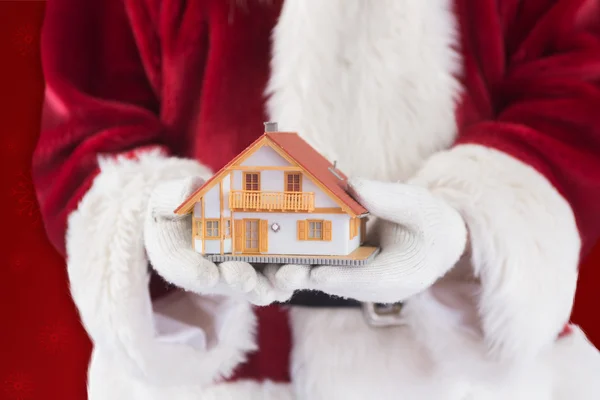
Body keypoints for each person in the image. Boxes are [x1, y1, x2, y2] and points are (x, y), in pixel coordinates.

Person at [33, 0, 600, 398]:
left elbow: (577, 97)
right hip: (210, 383)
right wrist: (155, 226)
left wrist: (468, 230)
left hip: (467, 378)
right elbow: (88, 123)